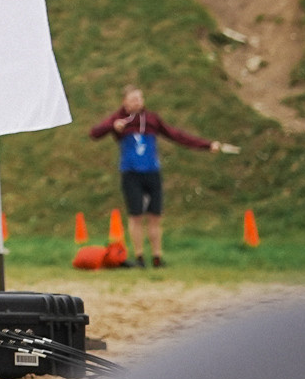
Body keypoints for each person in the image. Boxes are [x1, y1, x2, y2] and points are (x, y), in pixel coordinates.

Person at [86, 85, 236, 268]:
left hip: (152, 172)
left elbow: (177, 135)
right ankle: (139, 257)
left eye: (140, 98)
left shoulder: (151, 119)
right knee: (136, 216)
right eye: (133, 99)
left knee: (155, 215)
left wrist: (206, 145)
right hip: (131, 173)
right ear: (124, 102)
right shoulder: (118, 120)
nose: (138, 102)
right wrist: (113, 126)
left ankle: (157, 256)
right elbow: (94, 133)